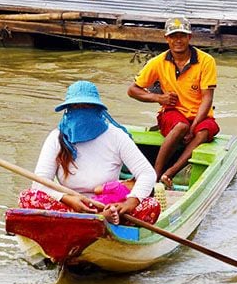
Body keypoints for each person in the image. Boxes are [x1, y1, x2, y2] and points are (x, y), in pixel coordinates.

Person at [18, 80, 160, 224]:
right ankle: (91, 220)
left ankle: (100, 219)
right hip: (70, 206)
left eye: (86, 106)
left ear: (97, 110)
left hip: (108, 206)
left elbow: (147, 174)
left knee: (151, 206)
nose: (81, 112)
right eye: (75, 107)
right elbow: (40, 182)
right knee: (29, 197)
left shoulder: (116, 136)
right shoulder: (57, 137)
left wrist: (130, 202)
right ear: (68, 110)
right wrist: (68, 199)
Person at [127, 16, 219, 190]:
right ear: (166, 38)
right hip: (172, 113)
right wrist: (158, 98)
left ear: (189, 37)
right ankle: (154, 174)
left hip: (199, 115)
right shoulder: (157, 62)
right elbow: (133, 90)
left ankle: (171, 172)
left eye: (182, 36)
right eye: (173, 36)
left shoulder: (206, 61)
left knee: (203, 132)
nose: (178, 40)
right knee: (180, 126)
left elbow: (207, 98)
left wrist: (194, 128)